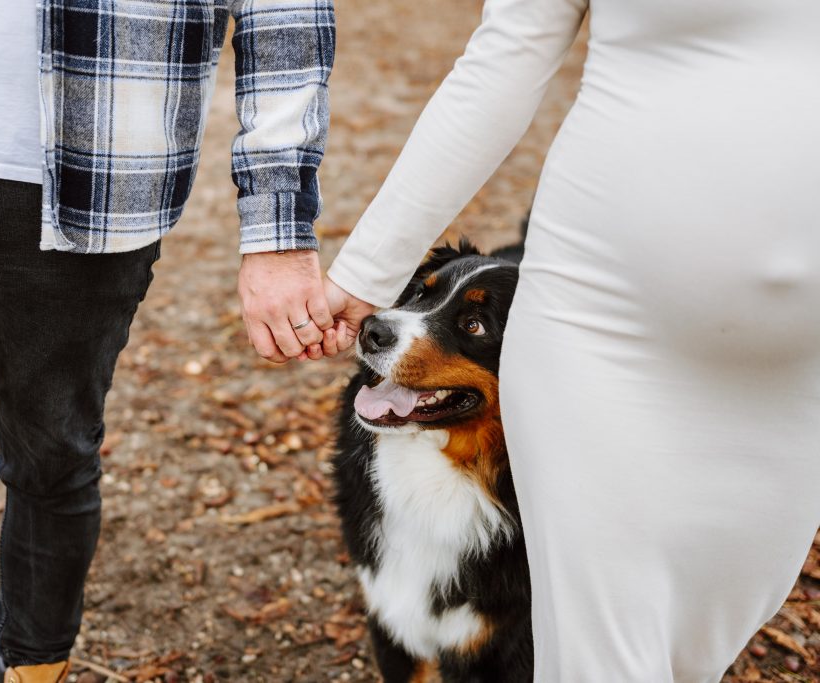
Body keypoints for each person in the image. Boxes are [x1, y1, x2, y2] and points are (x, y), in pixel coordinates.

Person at [0, 1, 338, 681]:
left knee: (51, 458)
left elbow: (284, 14)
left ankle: (31, 669)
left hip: (94, 185)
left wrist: (279, 229)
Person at [320, 0, 820, 681]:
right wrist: (367, 266)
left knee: (706, 624)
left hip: (796, 365)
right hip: (599, 312)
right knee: (602, 645)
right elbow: (508, 51)